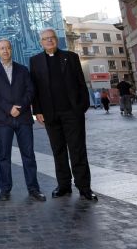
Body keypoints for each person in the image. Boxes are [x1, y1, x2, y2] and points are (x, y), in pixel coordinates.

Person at [29, 28, 98, 201]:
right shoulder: (35, 61)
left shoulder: (71, 57)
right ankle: (64, 186)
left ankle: (84, 187)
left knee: (78, 150)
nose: (49, 41)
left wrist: (81, 106)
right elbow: (34, 89)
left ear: (56, 40)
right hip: (50, 114)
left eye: (52, 38)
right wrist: (37, 110)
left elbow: (81, 83)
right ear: (41, 42)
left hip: (72, 112)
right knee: (58, 150)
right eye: (45, 39)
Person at [0, 39, 46, 202]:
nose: (5, 51)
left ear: (11, 50)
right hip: (3, 121)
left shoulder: (23, 69)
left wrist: (19, 107)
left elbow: (30, 90)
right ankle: (5, 190)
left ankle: (34, 189)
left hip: (24, 118)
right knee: (4, 156)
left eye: (7, 48)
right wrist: (8, 108)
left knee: (28, 155)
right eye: (2, 48)